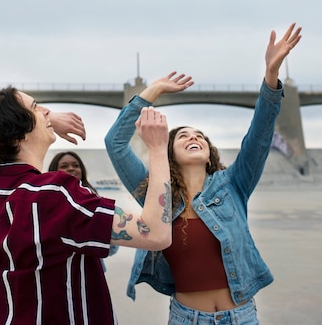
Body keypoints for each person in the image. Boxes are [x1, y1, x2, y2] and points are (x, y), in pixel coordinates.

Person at [105, 23, 302, 325]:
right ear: (168, 151)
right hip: (186, 318)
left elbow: (260, 135)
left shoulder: (234, 184)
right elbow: (115, 143)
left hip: (242, 317)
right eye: (183, 135)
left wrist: (271, 76)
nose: (193, 137)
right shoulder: (155, 192)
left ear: (210, 152)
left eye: (200, 135)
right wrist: (151, 91)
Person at [0, 87, 172, 324]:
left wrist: (41, 121)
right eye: (36, 107)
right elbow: (156, 233)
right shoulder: (52, 195)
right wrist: (158, 148)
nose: (47, 111)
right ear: (16, 134)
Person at [48, 151, 120, 266]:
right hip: (59, 268)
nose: (71, 169)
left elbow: (111, 247)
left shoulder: (94, 199)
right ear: (53, 171)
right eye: (64, 166)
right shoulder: (47, 202)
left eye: (76, 165)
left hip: (90, 267)